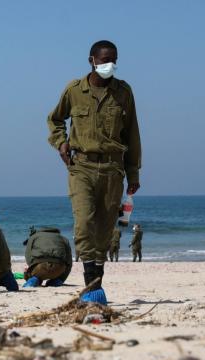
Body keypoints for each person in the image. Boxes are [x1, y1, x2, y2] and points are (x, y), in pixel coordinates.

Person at [47, 39, 141, 305]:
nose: (109, 65)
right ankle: (90, 285)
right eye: (104, 60)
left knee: (105, 228)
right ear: (92, 60)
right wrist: (61, 142)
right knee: (85, 221)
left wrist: (133, 174)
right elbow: (55, 119)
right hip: (82, 166)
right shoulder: (74, 90)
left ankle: (96, 283)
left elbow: (132, 134)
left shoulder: (124, 92)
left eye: (113, 60)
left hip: (113, 168)